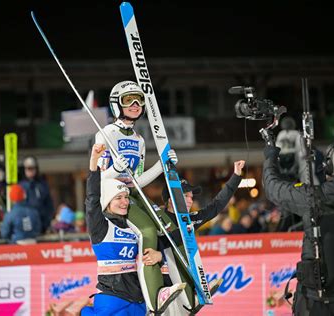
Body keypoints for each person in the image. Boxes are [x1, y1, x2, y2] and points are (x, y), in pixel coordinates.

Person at [95, 80, 183, 313]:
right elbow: (99, 177)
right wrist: (114, 170)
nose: (135, 104)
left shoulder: (139, 140)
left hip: (131, 191)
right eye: (128, 100)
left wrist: (161, 166)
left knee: (170, 225)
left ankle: (187, 289)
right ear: (116, 105)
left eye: (139, 100)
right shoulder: (105, 134)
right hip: (113, 196)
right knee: (146, 231)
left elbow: (137, 180)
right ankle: (155, 299)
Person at [263, 139, 334, 315]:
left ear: (329, 166)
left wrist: (271, 155)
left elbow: (272, 187)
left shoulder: (311, 198)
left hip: (316, 301)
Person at [82, 144, 183, 315]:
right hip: (112, 298)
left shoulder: (132, 227)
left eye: (126, 197)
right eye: (118, 198)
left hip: (138, 299)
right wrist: (94, 162)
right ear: (107, 201)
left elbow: (160, 241)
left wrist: (160, 255)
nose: (124, 202)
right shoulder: (101, 226)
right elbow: (92, 199)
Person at [158, 160, 244, 313]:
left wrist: (236, 176)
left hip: (183, 282)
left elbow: (216, 206)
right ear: (171, 199)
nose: (191, 200)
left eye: (191, 196)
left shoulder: (189, 219)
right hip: (163, 283)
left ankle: (194, 295)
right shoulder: (157, 217)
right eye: (186, 196)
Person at [19, 156, 54, 233]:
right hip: (26, 225)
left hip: (42, 224)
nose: (30, 171)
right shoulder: (21, 186)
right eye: (28, 168)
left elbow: (49, 204)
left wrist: (47, 221)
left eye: (32, 168)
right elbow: (18, 206)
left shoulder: (42, 185)